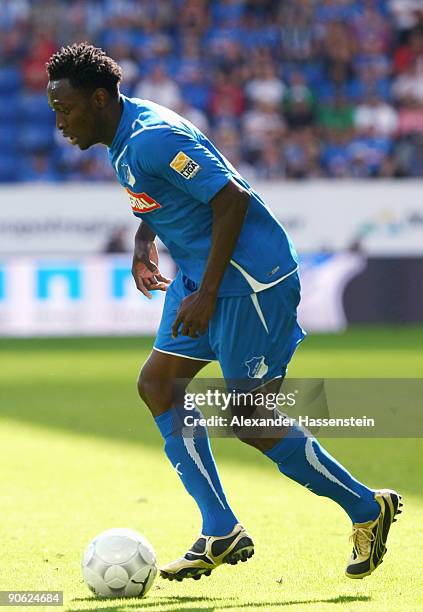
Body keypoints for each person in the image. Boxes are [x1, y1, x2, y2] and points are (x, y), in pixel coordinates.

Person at [46, 43, 401, 582]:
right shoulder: (123, 136)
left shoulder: (153, 139)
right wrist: (147, 240)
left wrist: (207, 292)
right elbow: (164, 195)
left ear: (98, 99)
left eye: (65, 108)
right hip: (199, 274)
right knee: (159, 385)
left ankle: (366, 509)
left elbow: (230, 197)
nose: (60, 121)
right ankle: (221, 529)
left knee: (249, 418)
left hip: (249, 283)